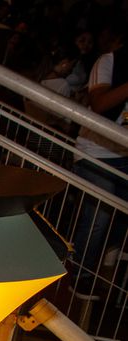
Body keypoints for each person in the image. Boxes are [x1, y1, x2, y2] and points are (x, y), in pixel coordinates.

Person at [71, 15, 128, 289]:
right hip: (95, 152)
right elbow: (100, 103)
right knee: (99, 216)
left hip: (123, 156)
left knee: (118, 218)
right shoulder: (109, 62)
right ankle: (80, 274)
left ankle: (105, 259)